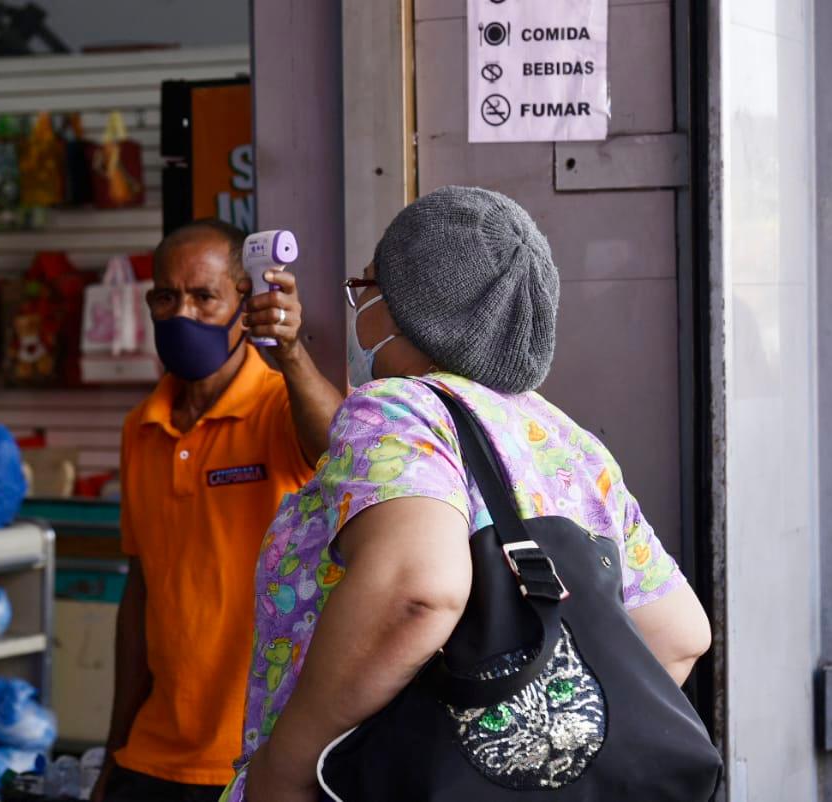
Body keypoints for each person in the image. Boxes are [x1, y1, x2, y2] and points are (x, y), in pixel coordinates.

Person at [223, 187, 714, 801]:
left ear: (414, 310)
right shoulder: (566, 441)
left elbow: (418, 591)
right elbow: (679, 634)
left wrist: (286, 768)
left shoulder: (399, 407)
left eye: (368, 285)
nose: (359, 305)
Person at [93, 220, 343, 802]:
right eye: (165, 296)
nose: (182, 313)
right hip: (151, 755)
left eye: (204, 297)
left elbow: (342, 449)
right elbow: (141, 594)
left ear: (244, 302)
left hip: (257, 756)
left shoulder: (278, 407)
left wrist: (291, 354)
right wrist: (112, 750)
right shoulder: (141, 428)